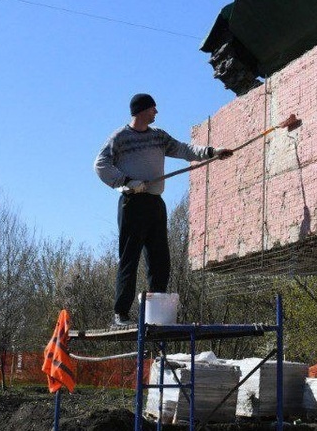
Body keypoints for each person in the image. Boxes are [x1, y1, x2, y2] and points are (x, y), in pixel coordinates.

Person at [95, 93, 232, 327]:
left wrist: (212, 152)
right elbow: (101, 165)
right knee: (129, 258)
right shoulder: (120, 138)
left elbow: (183, 150)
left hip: (155, 203)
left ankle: (154, 314)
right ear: (141, 110)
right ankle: (121, 314)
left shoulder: (158, 136)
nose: (156, 113)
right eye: (152, 109)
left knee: (160, 259)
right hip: (132, 204)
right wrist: (127, 181)